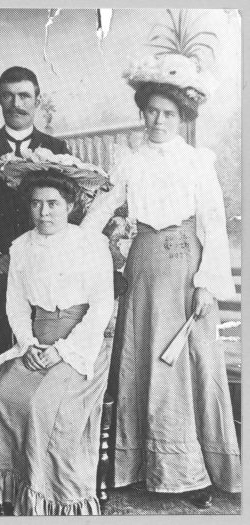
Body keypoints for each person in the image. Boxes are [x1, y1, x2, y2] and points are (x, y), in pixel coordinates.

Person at [81, 54, 241, 508]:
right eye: (151, 111)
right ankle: (140, 467)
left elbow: (211, 224)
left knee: (185, 366)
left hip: (186, 267)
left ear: (182, 117)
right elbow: (103, 206)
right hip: (144, 266)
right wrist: (73, 241)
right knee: (140, 362)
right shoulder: (129, 160)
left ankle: (194, 473)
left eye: (168, 113)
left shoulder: (197, 161)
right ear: (142, 112)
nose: (158, 120)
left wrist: (207, 284)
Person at [0, 170, 115, 516]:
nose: (44, 212)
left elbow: (102, 306)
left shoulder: (91, 244)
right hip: (36, 340)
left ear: (71, 205)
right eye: (36, 204)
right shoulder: (22, 247)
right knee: (1, 397)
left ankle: (48, 497)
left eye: (53, 204)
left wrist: (61, 351)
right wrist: (29, 344)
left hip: (82, 344)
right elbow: (16, 304)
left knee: (44, 404)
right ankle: (10, 491)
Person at [0, 67, 69, 400]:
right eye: (8, 95)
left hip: (43, 274)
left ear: (37, 99)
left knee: (36, 360)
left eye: (24, 96)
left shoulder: (56, 147)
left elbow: (65, 211)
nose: (16, 103)